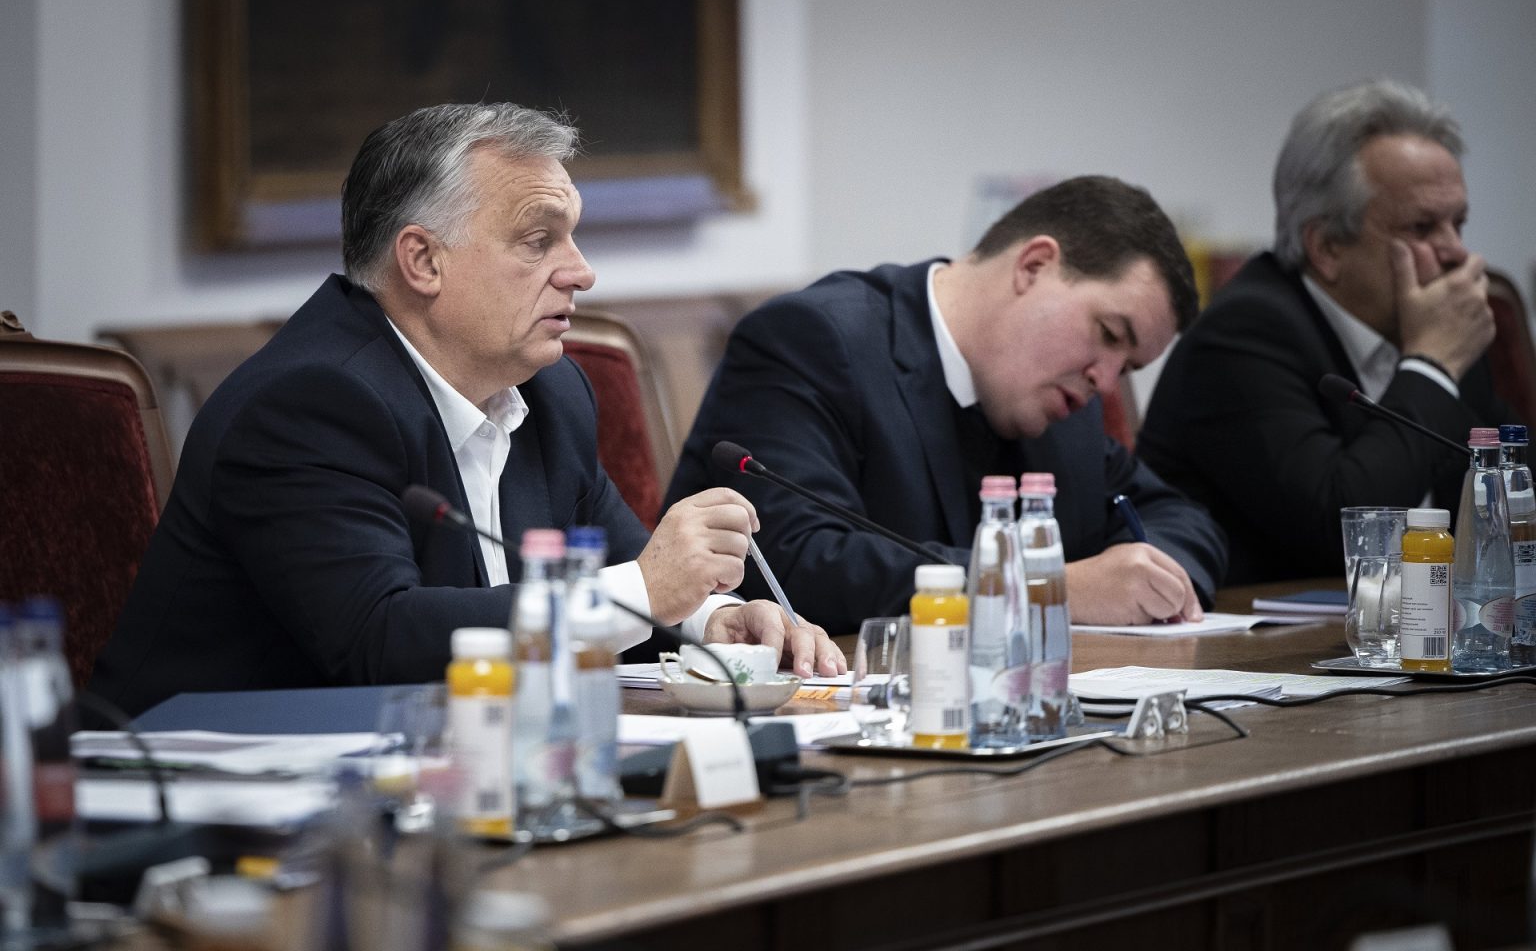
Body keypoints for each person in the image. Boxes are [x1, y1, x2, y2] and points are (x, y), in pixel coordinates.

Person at [90, 103, 842, 718]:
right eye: (538, 241)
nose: (581, 272)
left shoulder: (551, 393)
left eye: (572, 239)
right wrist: (648, 590)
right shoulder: (309, 404)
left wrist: (713, 623)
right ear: (423, 260)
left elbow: (619, 575)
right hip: (198, 793)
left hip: (446, 774)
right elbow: (378, 639)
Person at [665, 176, 1227, 637]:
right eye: (1108, 333)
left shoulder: (1062, 405)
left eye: (1127, 368)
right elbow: (791, 561)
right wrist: (1043, 586)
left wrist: (1149, 579)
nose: (1105, 382)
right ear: (1033, 266)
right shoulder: (814, 340)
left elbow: (1182, 520)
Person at [1139, 79, 1513, 584]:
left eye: (1458, 224)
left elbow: (1510, 501)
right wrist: (1432, 367)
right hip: (1260, 631)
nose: (1455, 253)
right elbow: (1343, 531)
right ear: (1327, 247)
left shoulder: (1440, 327)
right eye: (1422, 228)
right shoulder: (1243, 335)